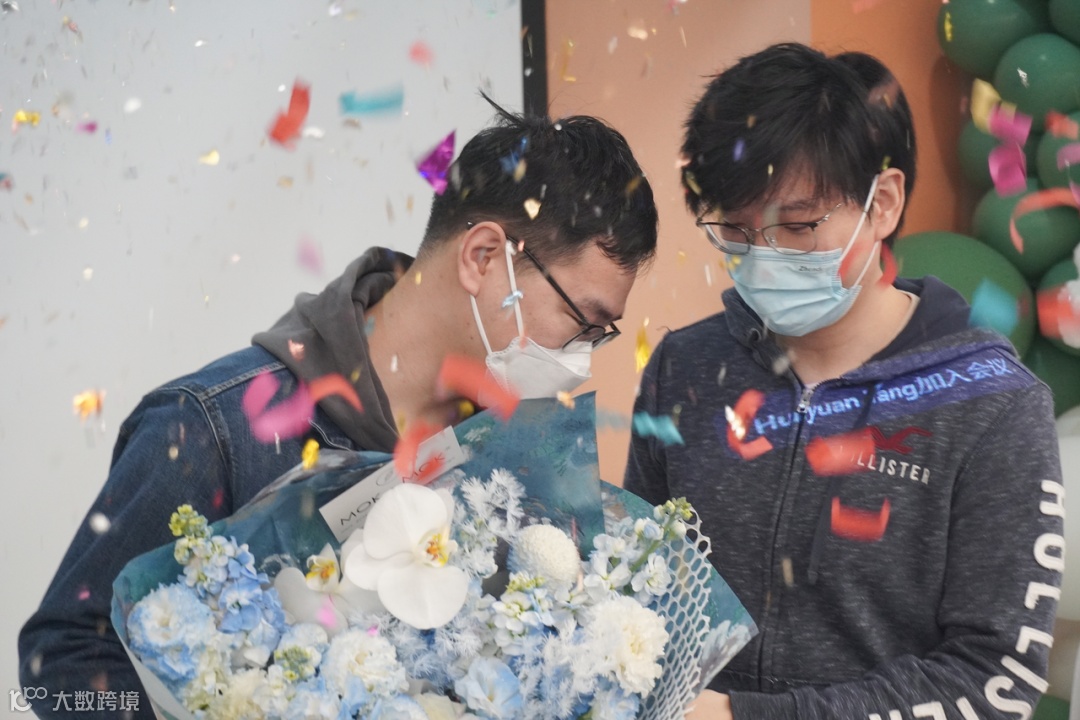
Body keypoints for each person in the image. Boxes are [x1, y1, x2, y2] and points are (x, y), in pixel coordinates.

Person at [20, 98, 658, 718]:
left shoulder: (510, 457)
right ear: (483, 257)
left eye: (599, 336)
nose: (581, 358)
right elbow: (62, 664)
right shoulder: (211, 430)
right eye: (581, 321)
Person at [625, 43, 1064, 719]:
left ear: (881, 204)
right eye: (736, 232)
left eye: (799, 225)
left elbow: (994, 679)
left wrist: (745, 717)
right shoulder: (683, 371)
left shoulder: (991, 405)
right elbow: (634, 596)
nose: (764, 259)